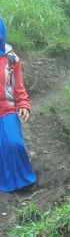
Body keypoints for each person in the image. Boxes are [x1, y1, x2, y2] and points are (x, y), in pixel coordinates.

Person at [0, 16, 36, 194]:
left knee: (14, 144)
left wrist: (23, 104)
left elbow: (18, 86)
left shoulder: (11, 58)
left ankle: (24, 183)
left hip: (7, 110)